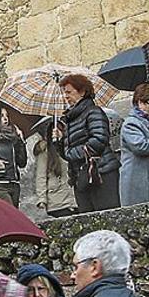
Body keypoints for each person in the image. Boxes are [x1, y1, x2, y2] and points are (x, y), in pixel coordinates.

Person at [54, 75, 121, 212]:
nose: (66, 96)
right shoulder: (69, 120)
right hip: (80, 176)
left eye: (69, 92)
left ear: (82, 92)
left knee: (106, 216)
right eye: (64, 92)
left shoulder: (93, 112)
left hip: (101, 173)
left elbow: (99, 140)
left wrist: (72, 153)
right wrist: (59, 141)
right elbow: (66, 154)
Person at [33, 121, 76, 217]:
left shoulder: (70, 146)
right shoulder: (45, 150)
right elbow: (41, 176)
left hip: (73, 199)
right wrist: (42, 199)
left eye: (61, 129)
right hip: (57, 200)